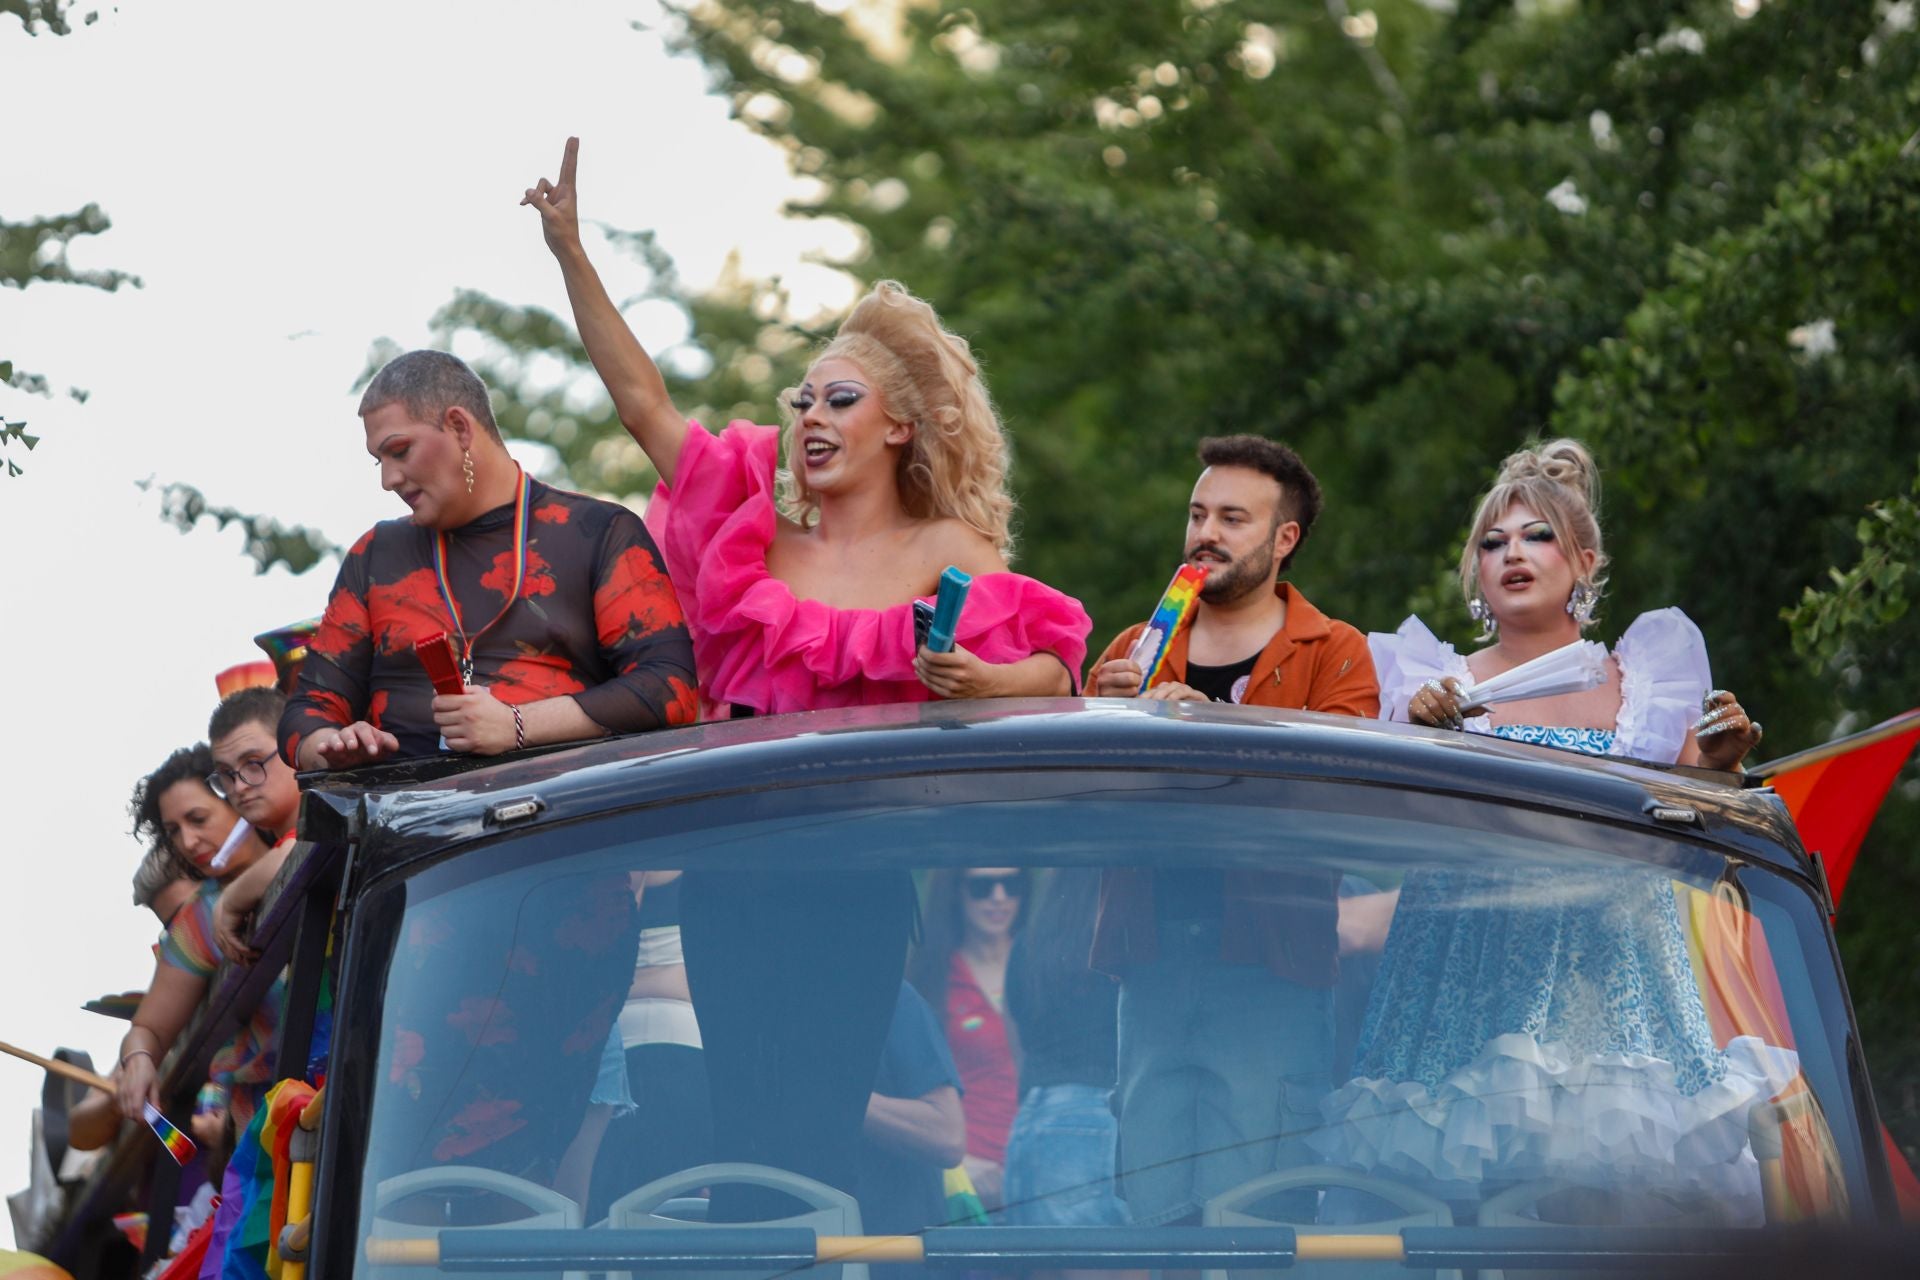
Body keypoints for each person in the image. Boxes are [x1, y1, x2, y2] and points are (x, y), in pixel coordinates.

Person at [523, 136, 1089, 1218]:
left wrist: (979, 679)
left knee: (817, 1134)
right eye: (803, 401)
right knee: (742, 1139)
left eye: (838, 401)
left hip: (862, 881)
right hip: (732, 877)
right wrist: (570, 252)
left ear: (898, 427)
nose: (811, 419)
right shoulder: (753, 539)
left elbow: (1058, 667)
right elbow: (643, 401)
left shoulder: (949, 550)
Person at [1314, 438, 1782, 1217]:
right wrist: (1426, 733)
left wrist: (1719, 768)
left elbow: (1688, 834)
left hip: (1609, 971)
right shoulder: (1434, 685)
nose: (1512, 555)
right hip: (1466, 967)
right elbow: (1391, 821)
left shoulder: (1647, 681)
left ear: (1586, 563)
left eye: (1537, 537)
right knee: (1459, 1192)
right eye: (1492, 542)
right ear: (1475, 574)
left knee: (1610, 1199)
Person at [1085, 435, 1379, 1227]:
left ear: (1284, 539)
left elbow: (1343, 800)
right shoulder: (1132, 649)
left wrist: (1219, 725)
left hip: (1269, 963)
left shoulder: (1336, 651)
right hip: (1149, 962)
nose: (1204, 533)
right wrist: (1098, 714)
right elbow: (1086, 811)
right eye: (1196, 513)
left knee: (1261, 1211)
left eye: (1232, 518)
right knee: (1151, 1206)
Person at [279, 346, 699, 772]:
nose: (389, 480)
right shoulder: (376, 553)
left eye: (400, 451)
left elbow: (670, 688)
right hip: (407, 824)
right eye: (379, 462)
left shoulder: (599, 531)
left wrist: (517, 725)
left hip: (565, 814)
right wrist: (331, 744)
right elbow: (306, 711)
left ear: (460, 428)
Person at [110, 744, 273, 1132]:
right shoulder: (199, 919)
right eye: (173, 832)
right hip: (274, 1125)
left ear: (237, 796)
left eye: (198, 818)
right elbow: (146, 1031)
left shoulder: (310, 835)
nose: (186, 841)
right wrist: (138, 1061)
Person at [1003, 868, 1127, 1239]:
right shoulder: (1121, 944)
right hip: (1097, 1118)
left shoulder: (1027, 946)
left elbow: (1017, 1047)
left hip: (1031, 1121)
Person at [907, 869, 1027, 1210]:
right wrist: (958, 1167)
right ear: (955, 891)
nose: (999, 897)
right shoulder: (933, 980)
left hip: (1041, 1171)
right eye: (982, 886)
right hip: (968, 1180)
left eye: (1012, 885)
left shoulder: (1043, 969)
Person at [858, 982, 966, 1280]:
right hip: (793, 1251)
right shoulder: (743, 1007)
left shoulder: (886, 996)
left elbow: (946, 1136)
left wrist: (841, 1099)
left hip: (900, 1256)